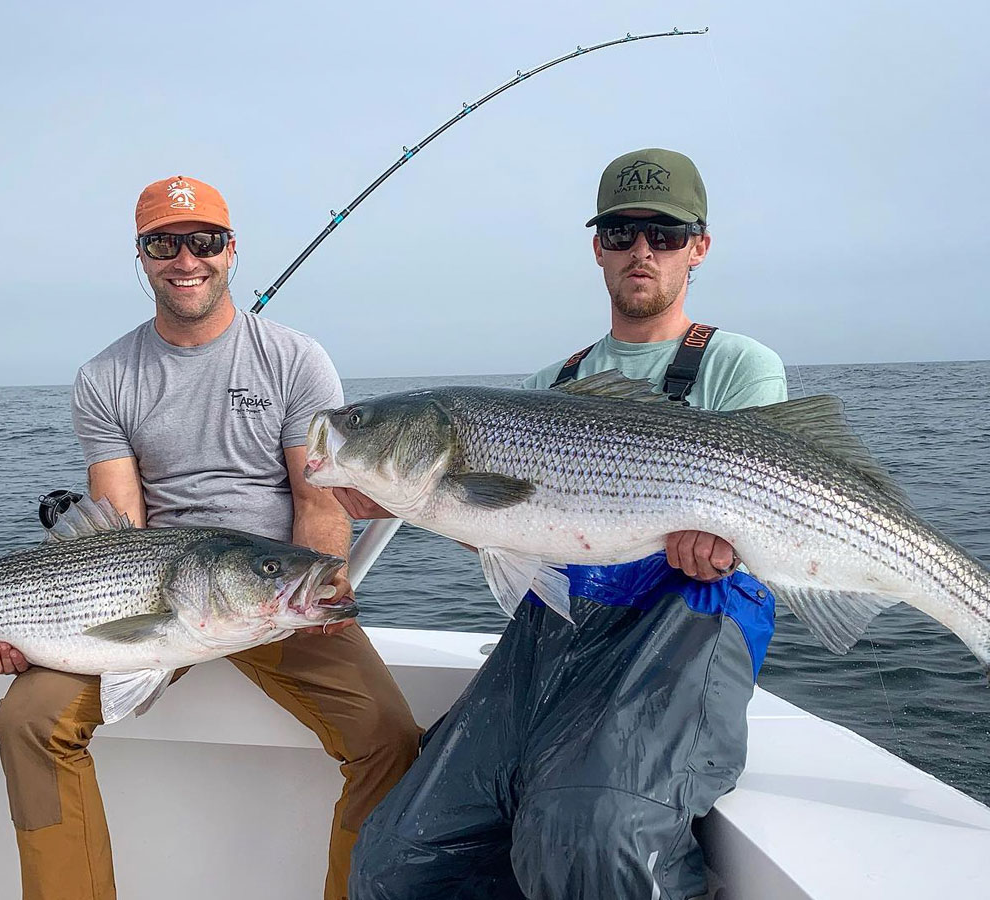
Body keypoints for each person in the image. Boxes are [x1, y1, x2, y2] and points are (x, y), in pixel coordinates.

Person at [337, 149, 786, 899]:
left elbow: (761, 505)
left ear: (698, 247)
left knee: (594, 837)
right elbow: (513, 535)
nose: (641, 250)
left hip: (685, 626)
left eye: (665, 234)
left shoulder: (738, 364)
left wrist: (724, 546)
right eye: (620, 232)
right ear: (597, 247)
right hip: (555, 637)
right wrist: (407, 499)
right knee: (395, 855)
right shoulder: (551, 386)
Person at [0, 175, 421, 900]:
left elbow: (319, 500)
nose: (187, 260)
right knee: (28, 720)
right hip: (153, 588)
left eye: (205, 241)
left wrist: (318, 590)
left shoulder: (295, 360)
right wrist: (46, 627)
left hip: (271, 584)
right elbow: (120, 526)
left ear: (231, 250)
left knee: (393, 742)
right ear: (142, 257)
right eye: (165, 244)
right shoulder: (105, 376)